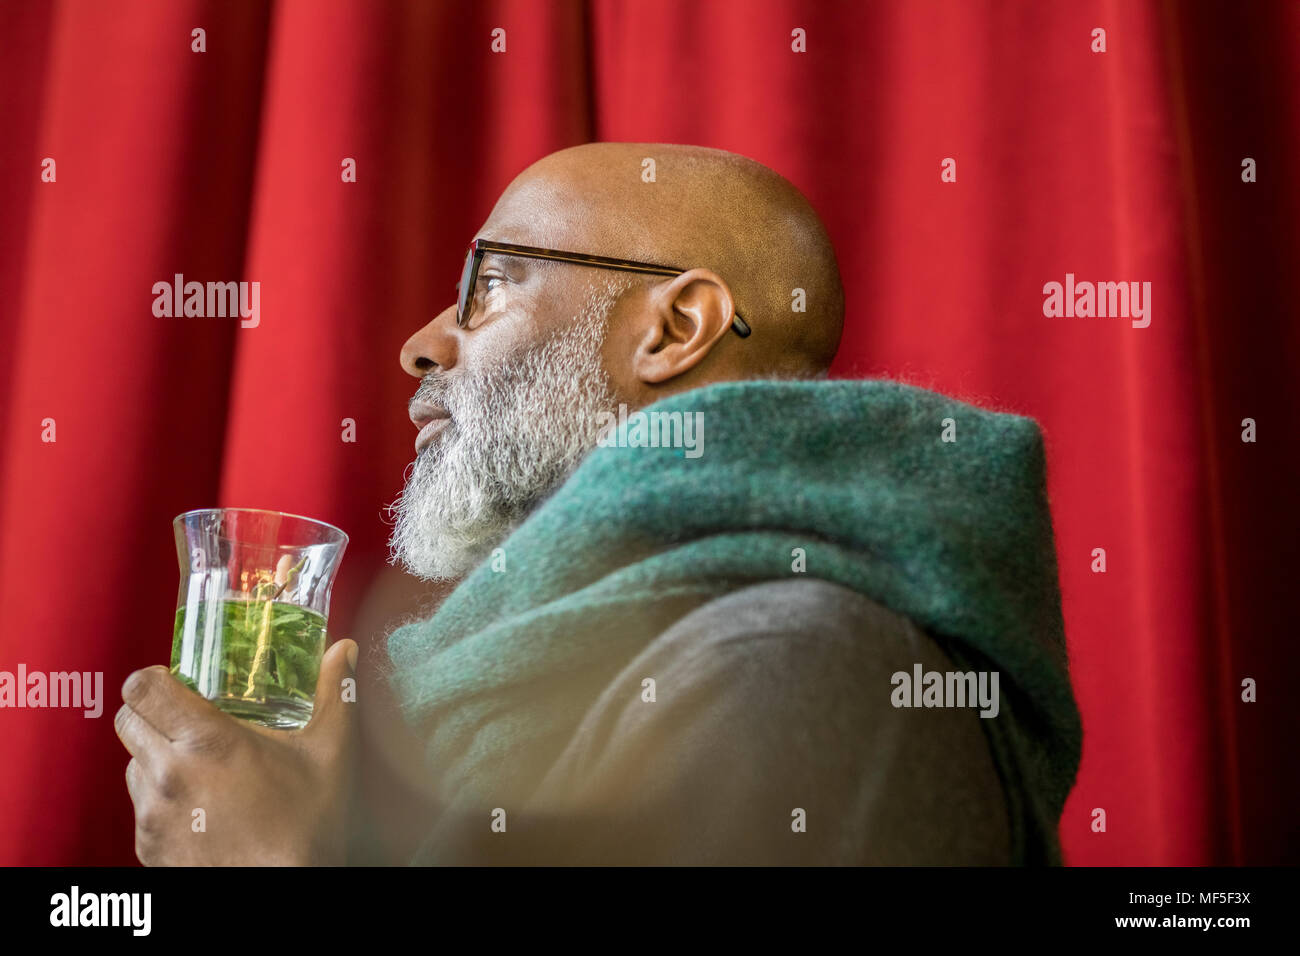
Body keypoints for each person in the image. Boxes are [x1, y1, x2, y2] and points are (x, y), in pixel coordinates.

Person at [116, 142, 1082, 866]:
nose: (421, 344)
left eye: (488, 285)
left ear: (673, 328)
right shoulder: (523, 683)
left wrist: (266, 860)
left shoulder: (795, 664)